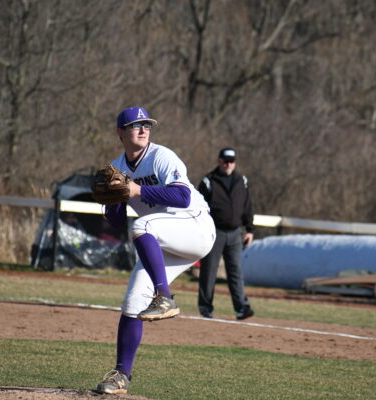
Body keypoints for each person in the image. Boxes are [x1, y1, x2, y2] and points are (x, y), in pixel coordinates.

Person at [94, 106, 216, 395]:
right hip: (166, 239)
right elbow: (115, 221)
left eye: (146, 124)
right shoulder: (117, 167)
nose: (143, 129)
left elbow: (183, 196)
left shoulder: (161, 156)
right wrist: (111, 201)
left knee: (143, 227)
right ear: (120, 132)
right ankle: (121, 375)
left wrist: (136, 191)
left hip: (195, 226)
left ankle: (165, 297)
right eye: (136, 125)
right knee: (133, 301)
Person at [197, 147, 255, 320]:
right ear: (219, 161)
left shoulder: (241, 180)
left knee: (235, 271)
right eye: (225, 161)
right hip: (214, 232)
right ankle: (205, 307)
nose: (228, 164)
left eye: (231, 161)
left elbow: (247, 206)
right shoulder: (209, 181)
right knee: (209, 271)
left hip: (235, 233)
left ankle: (241, 308)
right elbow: (199, 207)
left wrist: (250, 229)